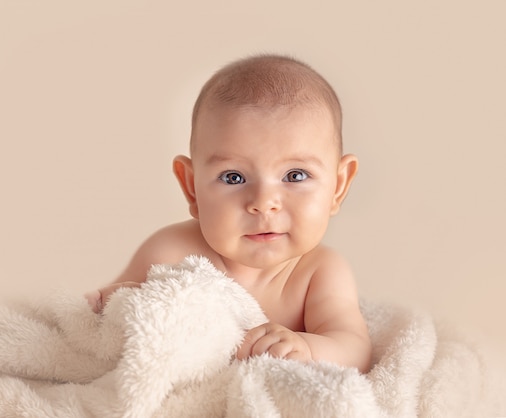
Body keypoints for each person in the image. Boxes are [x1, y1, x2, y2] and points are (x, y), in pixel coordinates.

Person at [86, 54, 372, 373]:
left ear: (338, 185)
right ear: (191, 187)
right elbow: (109, 319)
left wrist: (306, 348)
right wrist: (116, 305)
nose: (263, 203)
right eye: (233, 177)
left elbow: (354, 349)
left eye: (295, 175)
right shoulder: (169, 253)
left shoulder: (320, 273)